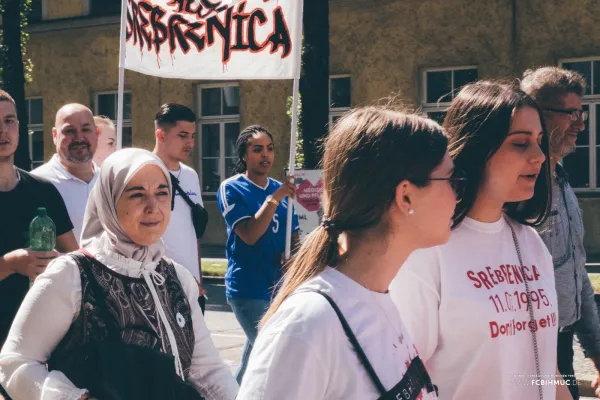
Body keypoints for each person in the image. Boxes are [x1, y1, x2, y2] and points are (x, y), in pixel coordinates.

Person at [237, 107, 459, 399]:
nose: (458, 194)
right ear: (405, 196)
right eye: (452, 181)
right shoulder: (307, 325)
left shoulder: (379, 298)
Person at [0, 148, 239, 400]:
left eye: (161, 193)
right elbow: (15, 362)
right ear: (109, 201)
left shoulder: (176, 277)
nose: (153, 207)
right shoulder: (72, 274)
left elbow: (208, 373)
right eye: (137, 195)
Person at [390, 81, 571, 400]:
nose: (540, 156)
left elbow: (542, 366)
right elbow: (402, 378)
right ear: (476, 149)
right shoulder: (428, 250)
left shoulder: (530, 243)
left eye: (540, 141)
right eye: (520, 143)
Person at [521, 66, 600, 399]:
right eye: (571, 114)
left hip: (561, 342)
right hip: (525, 351)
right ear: (538, 115)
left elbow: (577, 271)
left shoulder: (563, 182)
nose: (581, 124)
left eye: (581, 113)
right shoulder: (517, 194)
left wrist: (596, 353)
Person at [0, 90, 78, 399]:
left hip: (36, 339)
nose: (2, 131)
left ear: (19, 128)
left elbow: (76, 256)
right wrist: (10, 264)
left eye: (9, 121)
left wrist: (61, 264)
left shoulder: (43, 191)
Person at [217, 124, 300, 384]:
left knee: (252, 362)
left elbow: (294, 235)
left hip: (278, 287)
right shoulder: (232, 188)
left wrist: (294, 256)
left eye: (270, 149)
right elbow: (250, 234)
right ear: (244, 156)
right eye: (257, 150)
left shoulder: (282, 190)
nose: (265, 155)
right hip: (248, 288)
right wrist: (273, 199)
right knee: (273, 357)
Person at [152, 104, 207, 309]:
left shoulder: (191, 175)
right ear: (161, 135)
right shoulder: (144, 171)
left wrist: (198, 278)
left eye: (193, 136)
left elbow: (195, 232)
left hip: (193, 288)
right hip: (159, 286)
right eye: (183, 135)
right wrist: (176, 277)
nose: (190, 142)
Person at [32, 104, 100, 242]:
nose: (79, 138)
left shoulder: (110, 180)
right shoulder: (35, 184)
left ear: (97, 132)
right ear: (55, 135)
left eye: (86, 129)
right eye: (69, 131)